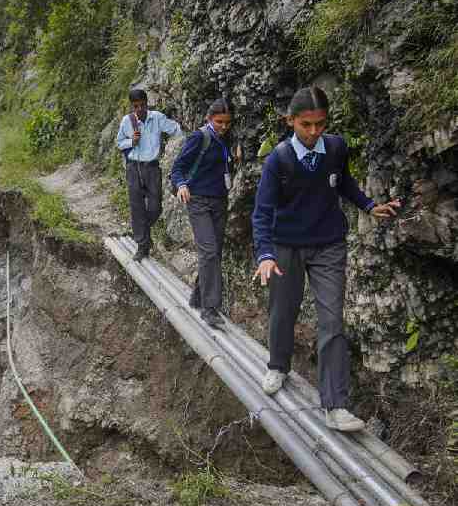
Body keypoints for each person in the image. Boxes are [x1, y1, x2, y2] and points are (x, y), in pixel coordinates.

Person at [251, 86, 400, 432]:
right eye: (306, 125)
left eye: (320, 124)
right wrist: (265, 254)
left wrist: (368, 205)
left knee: (332, 321)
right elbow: (262, 212)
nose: (314, 131)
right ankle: (278, 365)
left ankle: (336, 404)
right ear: (290, 121)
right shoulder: (278, 160)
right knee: (283, 310)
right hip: (286, 245)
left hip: (329, 244)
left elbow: (343, 182)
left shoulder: (336, 148)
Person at [170, 98, 235, 329]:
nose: (224, 126)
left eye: (227, 122)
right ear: (209, 119)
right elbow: (177, 168)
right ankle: (210, 309)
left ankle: (198, 295)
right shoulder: (199, 137)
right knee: (208, 251)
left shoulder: (226, 139)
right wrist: (181, 185)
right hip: (197, 200)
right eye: (219, 122)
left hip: (219, 202)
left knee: (214, 252)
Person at [116, 89, 184, 261]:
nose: (139, 109)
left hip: (152, 168)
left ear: (147, 103)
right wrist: (131, 141)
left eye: (142, 105)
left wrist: (188, 140)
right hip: (133, 167)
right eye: (136, 106)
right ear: (132, 106)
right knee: (137, 207)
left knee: (155, 207)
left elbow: (175, 129)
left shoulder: (157, 118)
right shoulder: (127, 121)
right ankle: (143, 246)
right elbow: (119, 143)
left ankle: (141, 231)